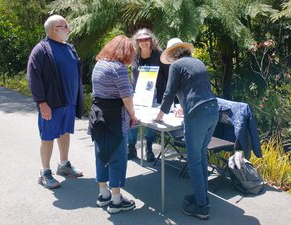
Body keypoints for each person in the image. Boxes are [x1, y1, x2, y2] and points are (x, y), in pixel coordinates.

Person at [155, 38, 219, 220]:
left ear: (173, 54)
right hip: (213, 110)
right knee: (200, 156)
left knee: (194, 160)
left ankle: (201, 207)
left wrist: (160, 114)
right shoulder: (198, 62)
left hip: (197, 114)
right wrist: (184, 104)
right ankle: (202, 196)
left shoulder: (176, 66)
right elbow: (197, 89)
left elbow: (169, 92)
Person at [27, 15, 84, 189]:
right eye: (65, 26)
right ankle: (45, 172)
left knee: (65, 133)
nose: (68, 29)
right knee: (48, 137)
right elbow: (33, 78)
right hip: (51, 103)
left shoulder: (69, 48)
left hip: (69, 102)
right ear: (54, 29)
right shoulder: (41, 50)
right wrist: (42, 103)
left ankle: (64, 165)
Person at [88, 35, 137, 214]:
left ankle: (104, 194)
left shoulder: (99, 64)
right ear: (126, 51)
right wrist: (133, 115)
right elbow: (126, 97)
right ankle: (116, 201)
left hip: (97, 115)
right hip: (114, 118)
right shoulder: (119, 68)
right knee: (117, 158)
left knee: (101, 155)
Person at [127, 28, 169, 162]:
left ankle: (149, 149)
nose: (144, 42)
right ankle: (131, 148)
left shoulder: (160, 55)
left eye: (147, 39)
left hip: (155, 95)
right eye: (141, 40)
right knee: (133, 121)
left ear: (151, 41)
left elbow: (168, 75)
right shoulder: (134, 56)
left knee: (150, 123)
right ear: (137, 42)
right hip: (137, 94)